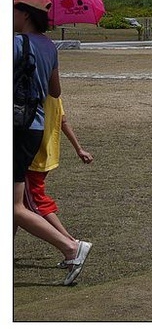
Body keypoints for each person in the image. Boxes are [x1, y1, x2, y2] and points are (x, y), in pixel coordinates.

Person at [13, 0, 93, 285]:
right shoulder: (49, 46)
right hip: (34, 127)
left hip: (16, 127)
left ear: (24, 13)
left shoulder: (16, 44)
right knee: (14, 202)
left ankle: (71, 246)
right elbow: (55, 91)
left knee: (14, 206)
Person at [22, 95, 94, 257]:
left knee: (35, 203)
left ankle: (71, 243)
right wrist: (79, 149)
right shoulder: (55, 96)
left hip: (32, 158)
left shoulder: (34, 94)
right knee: (19, 204)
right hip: (47, 156)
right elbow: (63, 121)